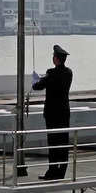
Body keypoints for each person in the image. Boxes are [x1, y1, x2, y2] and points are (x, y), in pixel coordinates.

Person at [32, 44, 73, 180]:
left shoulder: (51, 73)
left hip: (52, 114)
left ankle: (52, 171)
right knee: (63, 141)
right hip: (64, 113)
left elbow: (38, 86)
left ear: (56, 59)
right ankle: (61, 171)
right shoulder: (69, 73)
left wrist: (36, 80)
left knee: (53, 143)